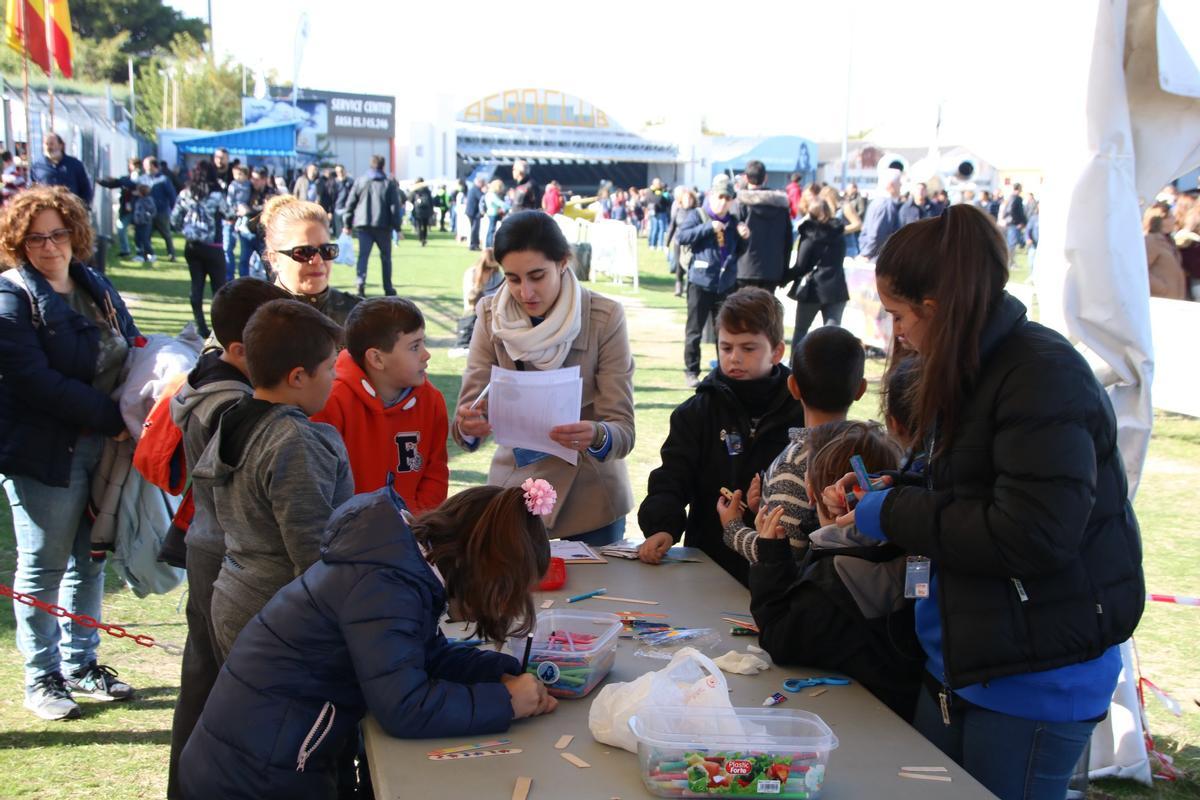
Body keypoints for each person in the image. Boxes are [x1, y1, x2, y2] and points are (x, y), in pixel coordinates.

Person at [831, 204, 1144, 800]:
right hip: (971, 661)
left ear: (934, 307)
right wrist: (902, 490)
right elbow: (976, 489)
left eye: (898, 315)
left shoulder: (1041, 375)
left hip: (1034, 674)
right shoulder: (977, 367)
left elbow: (1032, 533)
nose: (896, 332)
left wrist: (890, 513)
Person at [179, 483, 558, 799]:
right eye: (507, 593)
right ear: (486, 571)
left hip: (277, 753)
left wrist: (503, 672)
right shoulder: (386, 586)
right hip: (257, 773)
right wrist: (506, 702)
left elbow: (421, 659)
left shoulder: (401, 567)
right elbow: (405, 707)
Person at [0, 185, 141, 720]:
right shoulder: (11, 296)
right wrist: (114, 417)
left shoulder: (94, 284)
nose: (48, 246)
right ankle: (42, 676)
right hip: (44, 453)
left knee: (90, 560)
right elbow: (34, 380)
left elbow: (132, 344)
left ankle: (83, 663)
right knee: (42, 566)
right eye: (34, 238)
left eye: (58, 233)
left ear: (74, 233)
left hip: (105, 448)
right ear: (19, 242)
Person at [165, 277, 291, 799]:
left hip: (209, 548)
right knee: (221, 690)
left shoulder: (211, 382)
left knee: (204, 682)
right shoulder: (230, 405)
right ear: (242, 349)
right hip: (226, 556)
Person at [454, 211, 635, 544]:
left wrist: (595, 434)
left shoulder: (604, 318)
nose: (526, 292)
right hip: (513, 495)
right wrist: (470, 425)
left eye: (537, 276)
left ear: (563, 262)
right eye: (513, 278)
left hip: (590, 499)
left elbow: (623, 429)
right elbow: (467, 413)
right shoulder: (491, 314)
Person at [192, 299, 354, 657]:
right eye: (330, 368)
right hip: (279, 613)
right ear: (297, 377)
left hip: (236, 594)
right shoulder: (295, 440)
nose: (335, 377)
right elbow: (309, 544)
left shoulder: (236, 416)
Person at [748, 419, 920, 720]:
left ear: (812, 492)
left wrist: (772, 560)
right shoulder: (907, 548)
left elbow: (781, 639)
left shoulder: (834, 575)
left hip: (853, 721)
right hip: (902, 714)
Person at [637, 287, 804, 585]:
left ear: (777, 351)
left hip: (780, 564)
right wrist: (663, 526)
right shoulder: (697, 411)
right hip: (709, 560)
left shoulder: (800, 409)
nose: (735, 358)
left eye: (748, 348)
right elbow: (672, 476)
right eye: (726, 348)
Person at [718, 325, 866, 565]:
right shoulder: (869, 447)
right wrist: (767, 507)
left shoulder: (796, 461)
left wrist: (733, 526)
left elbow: (782, 555)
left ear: (793, 387)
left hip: (802, 597)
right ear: (861, 389)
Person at [312, 297, 449, 513]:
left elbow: (436, 473)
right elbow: (320, 485)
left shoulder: (431, 401)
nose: (426, 354)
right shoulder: (332, 401)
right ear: (376, 359)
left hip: (411, 532)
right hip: (349, 535)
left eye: (423, 342)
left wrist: (417, 519)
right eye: (414, 347)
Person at [677, 175, 750, 388]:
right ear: (711, 195)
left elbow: (738, 252)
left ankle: (724, 371)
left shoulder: (734, 222)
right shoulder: (698, 215)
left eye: (728, 198)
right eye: (720, 197)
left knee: (725, 332)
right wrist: (709, 228)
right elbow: (682, 236)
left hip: (725, 284)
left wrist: (745, 238)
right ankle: (692, 371)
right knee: (694, 330)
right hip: (699, 282)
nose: (724, 202)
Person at [262, 195, 361, 325]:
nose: (318, 260)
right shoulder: (250, 317)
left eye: (327, 250)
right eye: (304, 252)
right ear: (274, 259)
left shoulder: (358, 316)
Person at [171, 160, 227, 337]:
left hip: (192, 246)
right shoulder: (217, 195)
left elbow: (174, 220)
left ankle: (201, 326)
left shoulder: (186, 194)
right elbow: (230, 212)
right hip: (213, 246)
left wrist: (187, 230)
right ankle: (220, 327)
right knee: (219, 289)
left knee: (197, 286)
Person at [788, 195, 849, 349]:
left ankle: (795, 366)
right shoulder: (839, 233)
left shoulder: (809, 235)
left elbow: (801, 265)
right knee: (833, 334)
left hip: (812, 288)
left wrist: (785, 277)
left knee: (801, 330)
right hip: (836, 287)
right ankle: (830, 368)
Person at [343, 155, 403, 297]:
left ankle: (360, 284)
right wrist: (397, 228)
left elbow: (350, 203)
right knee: (386, 258)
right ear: (383, 166)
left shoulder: (361, 181)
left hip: (364, 225)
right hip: (383, 225)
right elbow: (395, 208)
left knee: (363, 256)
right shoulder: (388, 183)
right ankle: (388, 288)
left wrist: (347, 223)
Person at [735, 160, 793, 291]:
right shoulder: (780, 205)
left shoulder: (741, 203)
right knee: (765, 310)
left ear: (745, 177)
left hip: (744, 268)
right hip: (772, 269)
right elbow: (788, 241)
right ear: (765, 177)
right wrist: (784, 270)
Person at [451, 247, 504, 356]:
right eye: (488, 268)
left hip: (491, 307)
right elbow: (470, 295)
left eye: (493, 268)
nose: (491, 271)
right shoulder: (471, 273)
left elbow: (499, 293)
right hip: (474, 306)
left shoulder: (496, 274)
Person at [30, 132, 93, 207]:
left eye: (52, 144)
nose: (49, 147)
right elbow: (31, 190)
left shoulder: (75, 165)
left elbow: (85, 190)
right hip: (47, 211)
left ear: (61, 145)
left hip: (70, 211)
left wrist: (83, 208)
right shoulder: (37, 167)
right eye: (46, 144)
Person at [95, 157, 141, 257]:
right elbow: (116, 184)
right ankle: (130, 250)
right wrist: (102, 182)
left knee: (124, 228)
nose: (129, 167)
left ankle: (135, 251)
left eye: (131, 164)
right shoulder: (127, 178)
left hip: (135, 208)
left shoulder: (138, 176)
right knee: (123, 228)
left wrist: (118, 180)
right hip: (128, 207)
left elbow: (130, 184)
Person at [1144, 202, 1186, 300]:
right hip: (1160, 300)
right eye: (1170, 217)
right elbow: (1140, 269)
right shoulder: (1151, 240)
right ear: (1161, 220)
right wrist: (1161, 288)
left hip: (1174, 299)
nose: (1174, 220)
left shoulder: (1169, 240)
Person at [857, 169, 902, 260]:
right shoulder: (885, 205)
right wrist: (866, 254)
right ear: (891, 185)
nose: (901, 185)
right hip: (876, 259)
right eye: (899, 182)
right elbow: (877, 235)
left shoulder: (877, 202)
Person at [140, 157, 178, 261]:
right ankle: (147, 254)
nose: (144, 167)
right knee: (146, 234)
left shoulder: (163, 179)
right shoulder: (143, 178)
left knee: (166, 234)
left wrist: (173, 209)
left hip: (161, 211)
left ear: (152, 165)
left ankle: (171, 254)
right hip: (147, 212)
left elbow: (171, 195)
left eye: (146, 165)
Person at [664, 186, 699, 297]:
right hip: (678, 242)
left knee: (690, 265)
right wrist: (666, 243)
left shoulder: (696, 213)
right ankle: (678, 287)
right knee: (679, 264)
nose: (688, 201)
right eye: (686, 199)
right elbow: (672, 227)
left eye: (690, 199)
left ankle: (688, 286)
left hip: (691, 243)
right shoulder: (678, 211)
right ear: (681, 200)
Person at [222, 165, 252, 280]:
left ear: (245, 175)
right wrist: (236, 209)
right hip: (233, 218)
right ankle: (229, 275)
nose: (237, 177)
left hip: (246, 218)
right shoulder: (233, 186)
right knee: (228, 247)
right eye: (235, 174)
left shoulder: (249, 186)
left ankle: (244, 277)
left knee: (245, 251)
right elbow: (229, 201)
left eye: (240, 174)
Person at [998, 183, 1027, 264]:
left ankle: (1010, 261)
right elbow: (1013, 211)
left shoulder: (1010, 198)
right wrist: (1020, 222)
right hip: (1013, 224)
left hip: (1009, 223)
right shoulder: (1016, 198)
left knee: (1011, 243)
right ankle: (1011, 262)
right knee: (1012, 244)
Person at [132, 184, 156, 262]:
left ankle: (151, 254)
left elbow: (152, 211)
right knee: (137, 239)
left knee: (145, 239)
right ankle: (140, 254)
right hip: (138, 223)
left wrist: (147, 217)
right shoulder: (138, 199)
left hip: (145, 223)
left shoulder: (148, 200)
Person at [330, 164, 354, 238]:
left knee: (347, 231)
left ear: (344, 171)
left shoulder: (350, 182)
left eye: (341, 171)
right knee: (338, 232)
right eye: (338, 171)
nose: (340, 173)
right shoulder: (333, 183)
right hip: (337, 209)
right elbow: (331, 197)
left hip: (347, 209)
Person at [409, 177, 435, 246]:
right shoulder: (427, 190)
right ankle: (424, 238)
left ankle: (421, 239)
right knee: (425, 226)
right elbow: (431, 201)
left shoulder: (415, 190)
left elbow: (410, 199)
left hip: (418, 211)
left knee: (419, 225)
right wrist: (431, 211)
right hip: (426, 211)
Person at [484, 178, 507, 248]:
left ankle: (488, 244)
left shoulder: (489, 194)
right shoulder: (492, 195)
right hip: (493, 213)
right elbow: (499, 203)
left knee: (490, 229)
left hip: (491, 213)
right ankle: (490, 245)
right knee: (491, 230)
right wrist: (509, 206)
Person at [465, 176, 486, 251]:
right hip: (473, 213)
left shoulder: (473, 189)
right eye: (483, 183)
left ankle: (475, 244)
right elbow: (482, 197)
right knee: (475, 229)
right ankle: (473, 244)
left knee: (475, 229)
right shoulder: (476, 189)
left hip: (472, 212)